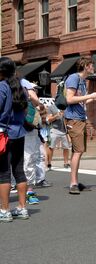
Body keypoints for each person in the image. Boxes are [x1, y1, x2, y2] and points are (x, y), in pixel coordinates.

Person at [65, 57, 96, 195]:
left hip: (80, 118)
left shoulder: (82, 81)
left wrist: (92, 98)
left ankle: (75, 181)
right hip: (73, 119)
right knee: (77, 151)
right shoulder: (74, 78)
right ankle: (73, 183)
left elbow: (80, 101)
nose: (93, 67)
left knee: (79, 151)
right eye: (92, 65)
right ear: (86, 66)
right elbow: (69, 99)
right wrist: (90, 95)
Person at [0, 57, 31, 221]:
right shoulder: (20, 86)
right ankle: (22, 208)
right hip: (19, 133)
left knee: (4, 173)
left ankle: (5, 210)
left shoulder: (2, 87)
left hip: (4, 133)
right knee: (19, 171)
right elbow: (26, 110)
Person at [46, 103, 71, 171]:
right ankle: (49, 163)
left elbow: (67, 118)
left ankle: (66, 163)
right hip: (54, 129)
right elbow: (49, 119)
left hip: (64, 130)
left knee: (66, 147)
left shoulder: (65, 107)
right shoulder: (51, 107)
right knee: (51, 147)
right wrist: (56, 115)